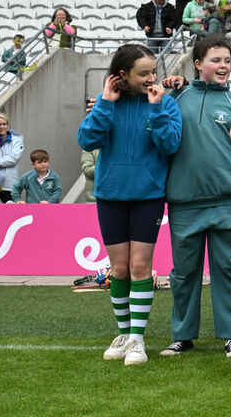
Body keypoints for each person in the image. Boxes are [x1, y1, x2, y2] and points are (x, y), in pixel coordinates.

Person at [78, 44, 182, 365]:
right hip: (109, 196)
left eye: (154, 71)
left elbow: (170, 145)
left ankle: (137, 339)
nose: (152, 78)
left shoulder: (165, 104)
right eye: (144, 73)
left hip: (148, 196)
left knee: (140, 267)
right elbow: (87, 140)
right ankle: (123, 333)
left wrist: (155, 109)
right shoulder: (105, 103)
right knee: (119, 268)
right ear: (122, 75)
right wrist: (106, 103)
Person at [160, 37, 231, 358]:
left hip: (228, 202)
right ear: (197, 64)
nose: (223, 66)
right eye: (215, 60)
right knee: (183, 273)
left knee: (230, 271)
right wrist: (168, 91)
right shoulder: (177, 98)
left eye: (227, 61)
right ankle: (182, 335)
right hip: (185, 202)